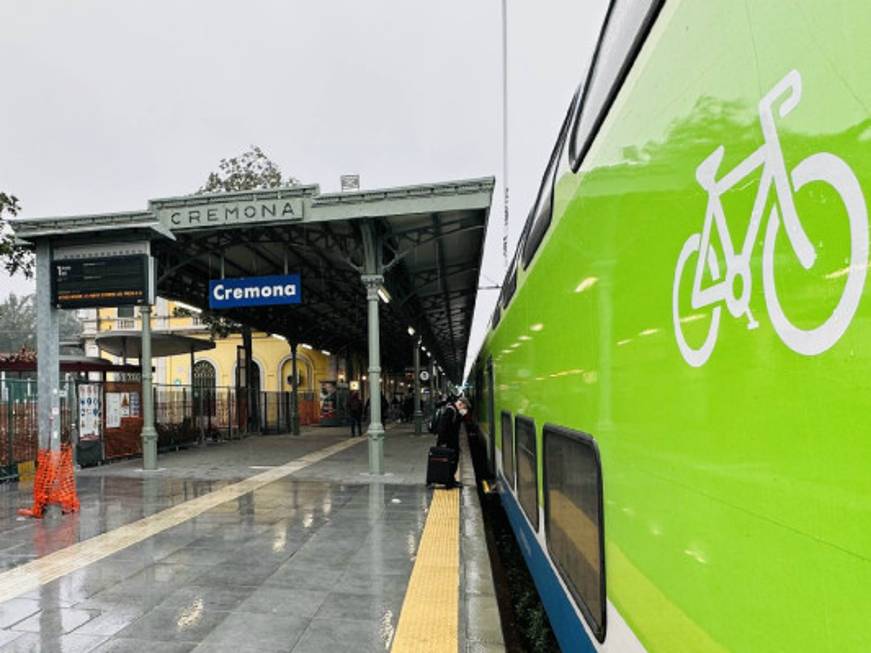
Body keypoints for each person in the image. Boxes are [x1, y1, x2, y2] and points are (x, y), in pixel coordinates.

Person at [435, 397, 468, 488]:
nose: (464, 409)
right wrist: (442, 443)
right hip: (449, 442)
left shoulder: (453, 410)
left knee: (453, 461)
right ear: (461, 404)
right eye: (464, 407)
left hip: (451, 441)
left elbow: (453, 425)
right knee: (451, 462)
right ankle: (449, 482)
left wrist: (461, 416)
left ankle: (451, 480)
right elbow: (443, 427)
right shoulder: (451, 411)